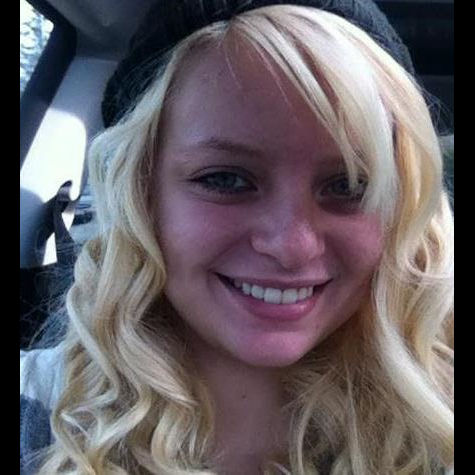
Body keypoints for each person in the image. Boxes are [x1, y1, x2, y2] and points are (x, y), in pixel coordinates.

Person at [20, 1, 454, 473]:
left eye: (349, 185)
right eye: (226, 180)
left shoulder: (438, 426)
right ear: (141, 193)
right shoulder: (38, 406)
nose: (292, 247)